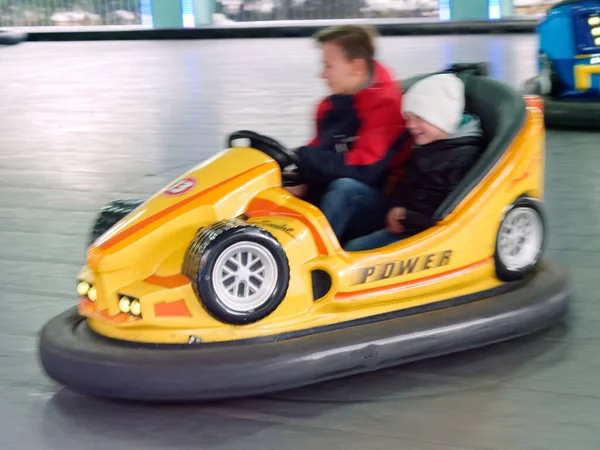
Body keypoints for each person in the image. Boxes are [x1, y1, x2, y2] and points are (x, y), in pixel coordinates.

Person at [285, 24, 411, 242]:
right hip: (345, 189)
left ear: (356, 67)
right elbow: (319, 151)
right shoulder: (331, 105)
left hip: (384, 205)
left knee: (345, 190)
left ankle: (306, 259)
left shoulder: (387, 105)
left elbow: (365, 169)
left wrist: (302, 156)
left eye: (328, 66)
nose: (322, 75)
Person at [343, 73, 484, 252]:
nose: (410, 125)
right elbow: (408, 182)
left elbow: (453, 215)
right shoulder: (427, 142)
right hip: (404, 217)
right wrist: (397, 206)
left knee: (353, 249)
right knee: (346, 188)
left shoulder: (464, 157)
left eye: (418, 117)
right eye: (409, 118)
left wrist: (407, 217)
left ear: (440, 116)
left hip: (426, 233)